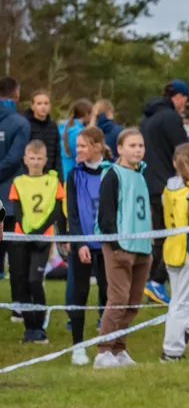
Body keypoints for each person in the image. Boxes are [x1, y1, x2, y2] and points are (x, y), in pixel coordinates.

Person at [94, 129, 154, 368]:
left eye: (141, 145)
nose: (138, 150)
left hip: (141, 247)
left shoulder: (141, 175)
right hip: (121, 247)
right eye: (132, 145)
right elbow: (106, 213)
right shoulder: (113, 174)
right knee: (118, 299)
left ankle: (119, 348)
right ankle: (103, 351)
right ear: (120, 148)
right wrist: (115, 244)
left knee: (133, 302)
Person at [139, 79, 189, 305]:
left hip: (148, 182)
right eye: (185, 101)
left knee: (160, 234)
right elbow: (184, 150)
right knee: (174, 233)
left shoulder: (146, 118)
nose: (184, 106)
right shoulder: (170, 118)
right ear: (178, 97)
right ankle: (156, 281)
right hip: (167, 185)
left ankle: (153, 283)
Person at [8, 140, 65, 343]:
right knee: (22, 282)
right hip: (22, 238)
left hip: (42, 239)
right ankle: (29, 329)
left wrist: (40, 231)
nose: (35, 162)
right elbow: (17, 210)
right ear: (25, 159)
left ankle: (40, 328)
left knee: (35, 280)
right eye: (32, 158)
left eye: (39, 158)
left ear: (45, 160)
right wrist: (26, 231)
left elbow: (56, 210)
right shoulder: (18, 182)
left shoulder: (53, 182)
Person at [65, 127, 112, 365]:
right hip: (82, 244)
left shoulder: (112, 172)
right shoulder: (74, 175)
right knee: (79, 293)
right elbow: (72, 213)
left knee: (108, 293)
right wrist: (80, 242)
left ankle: (108, 346)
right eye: (78, 146)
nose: (78, 150)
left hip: (107, 244)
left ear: (97, 146)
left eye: (83, 145)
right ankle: (78, 346)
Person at [161, 144, 189, 362]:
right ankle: (172, 349)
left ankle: (176, 341)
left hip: (171, 248)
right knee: (184, 303)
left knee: (177, 300)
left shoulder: (167, 188)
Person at [0, 77, 30, 291]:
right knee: (16, 258)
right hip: (11, 199)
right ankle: (19, 304)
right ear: (16, 94)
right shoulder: (20, 123)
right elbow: (13, 159)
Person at [23, 89, 61, 176]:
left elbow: (57, 154)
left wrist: (59, 176)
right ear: (32, 106)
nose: (43, 106)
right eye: (39, 103)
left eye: (46, 103)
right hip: (29, 175)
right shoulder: (25, 125)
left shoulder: (53, 126)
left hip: (49, 175)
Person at [58, 99, 91, 181]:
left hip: (61, 172)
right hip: (71, 174)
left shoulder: (63, 126)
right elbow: (79, 156)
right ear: (86, 114)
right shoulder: (78, 132)